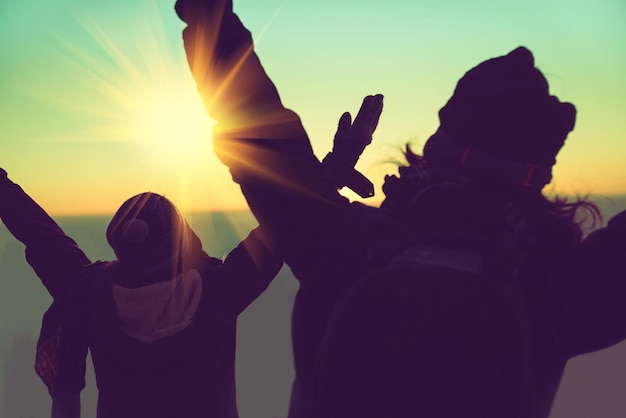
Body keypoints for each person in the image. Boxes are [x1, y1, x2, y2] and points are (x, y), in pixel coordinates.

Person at [176, 1, 626, 417]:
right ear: (536, 173)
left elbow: (258, 130)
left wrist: (210, 21)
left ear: (439, 147)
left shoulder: (343, 245)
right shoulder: (561, 291)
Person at [0, 168, 284, 418]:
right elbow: (282, 225)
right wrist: (324, 174)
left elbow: (40, 235)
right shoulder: (222, 288)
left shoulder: (90, 292)